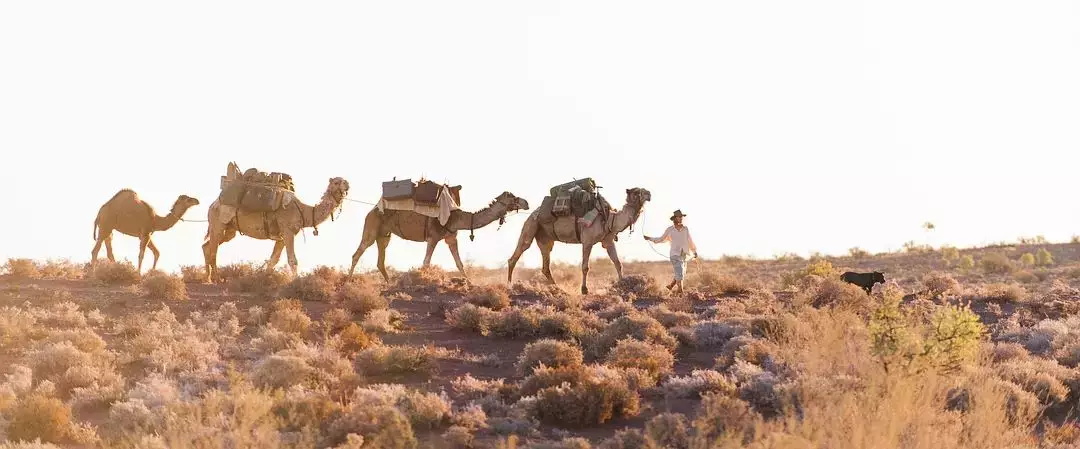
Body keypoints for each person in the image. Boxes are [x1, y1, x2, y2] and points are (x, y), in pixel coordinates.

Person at [644, 209, 698, 293]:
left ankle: (671, 285)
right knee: (680, 273)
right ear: (675, 218)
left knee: (681, 274)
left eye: (681, 217)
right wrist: (650, 238)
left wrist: (694, 251)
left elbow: (689, 240)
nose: (681, 218)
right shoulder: (670, 229)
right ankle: (681, 292)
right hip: (674, 255)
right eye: (679, 217)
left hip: (684, 255)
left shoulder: (685, 229)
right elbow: (661, 239)